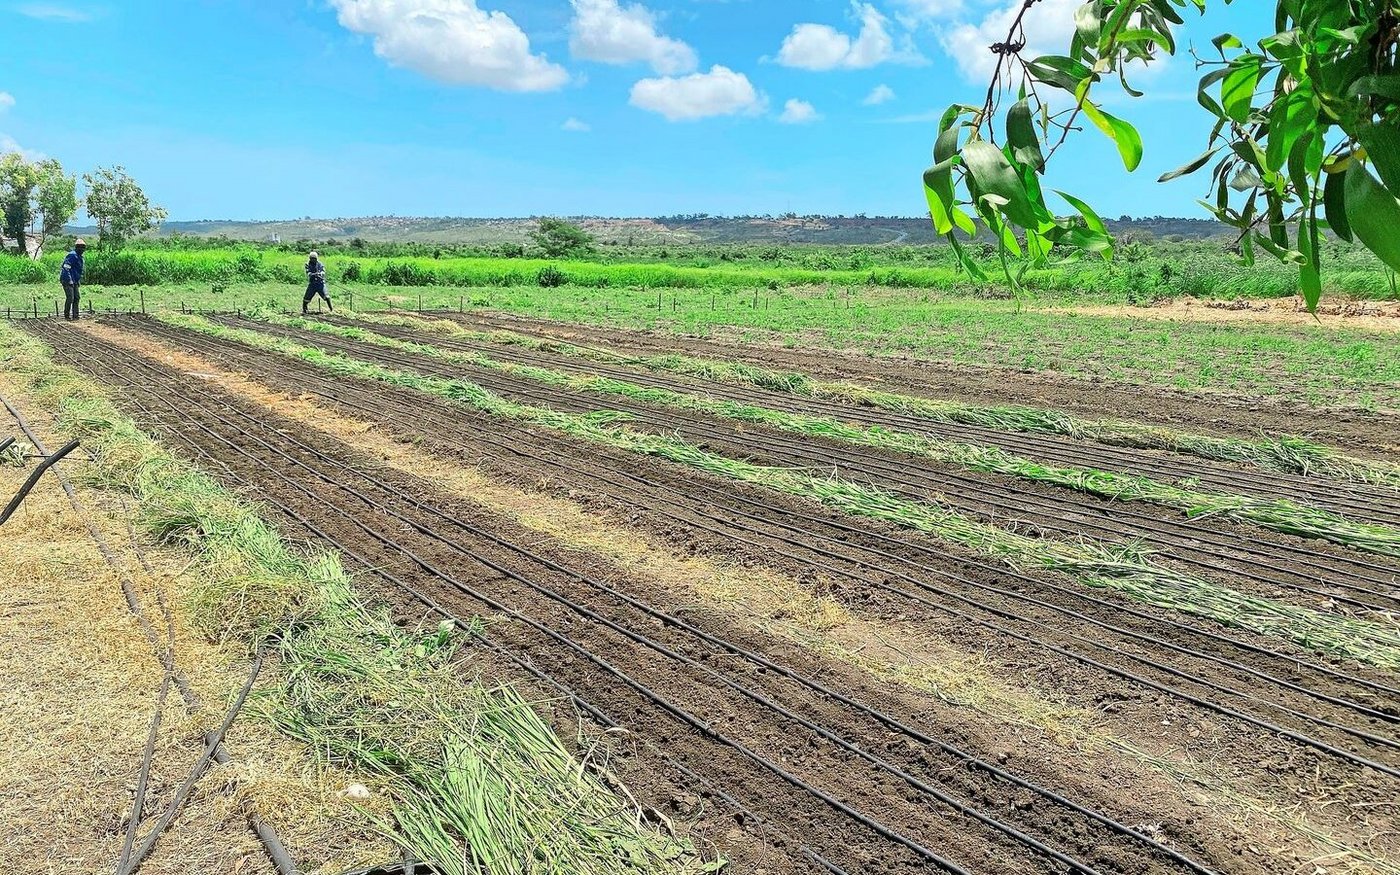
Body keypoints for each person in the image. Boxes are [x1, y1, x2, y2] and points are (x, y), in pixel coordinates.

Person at [60, 238, 86, 321]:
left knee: (77, 297)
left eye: (83, 247)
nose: (82, 249)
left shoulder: (79, 257)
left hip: (74, 280)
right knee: (70, 298)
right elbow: (66, 268)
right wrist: (69, 280)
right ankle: (67, 316)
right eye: (80, 247)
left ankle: (75, 316)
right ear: (76, 247)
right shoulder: (72, 255)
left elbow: (77, 271)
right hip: (67, 279)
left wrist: (77, 281)